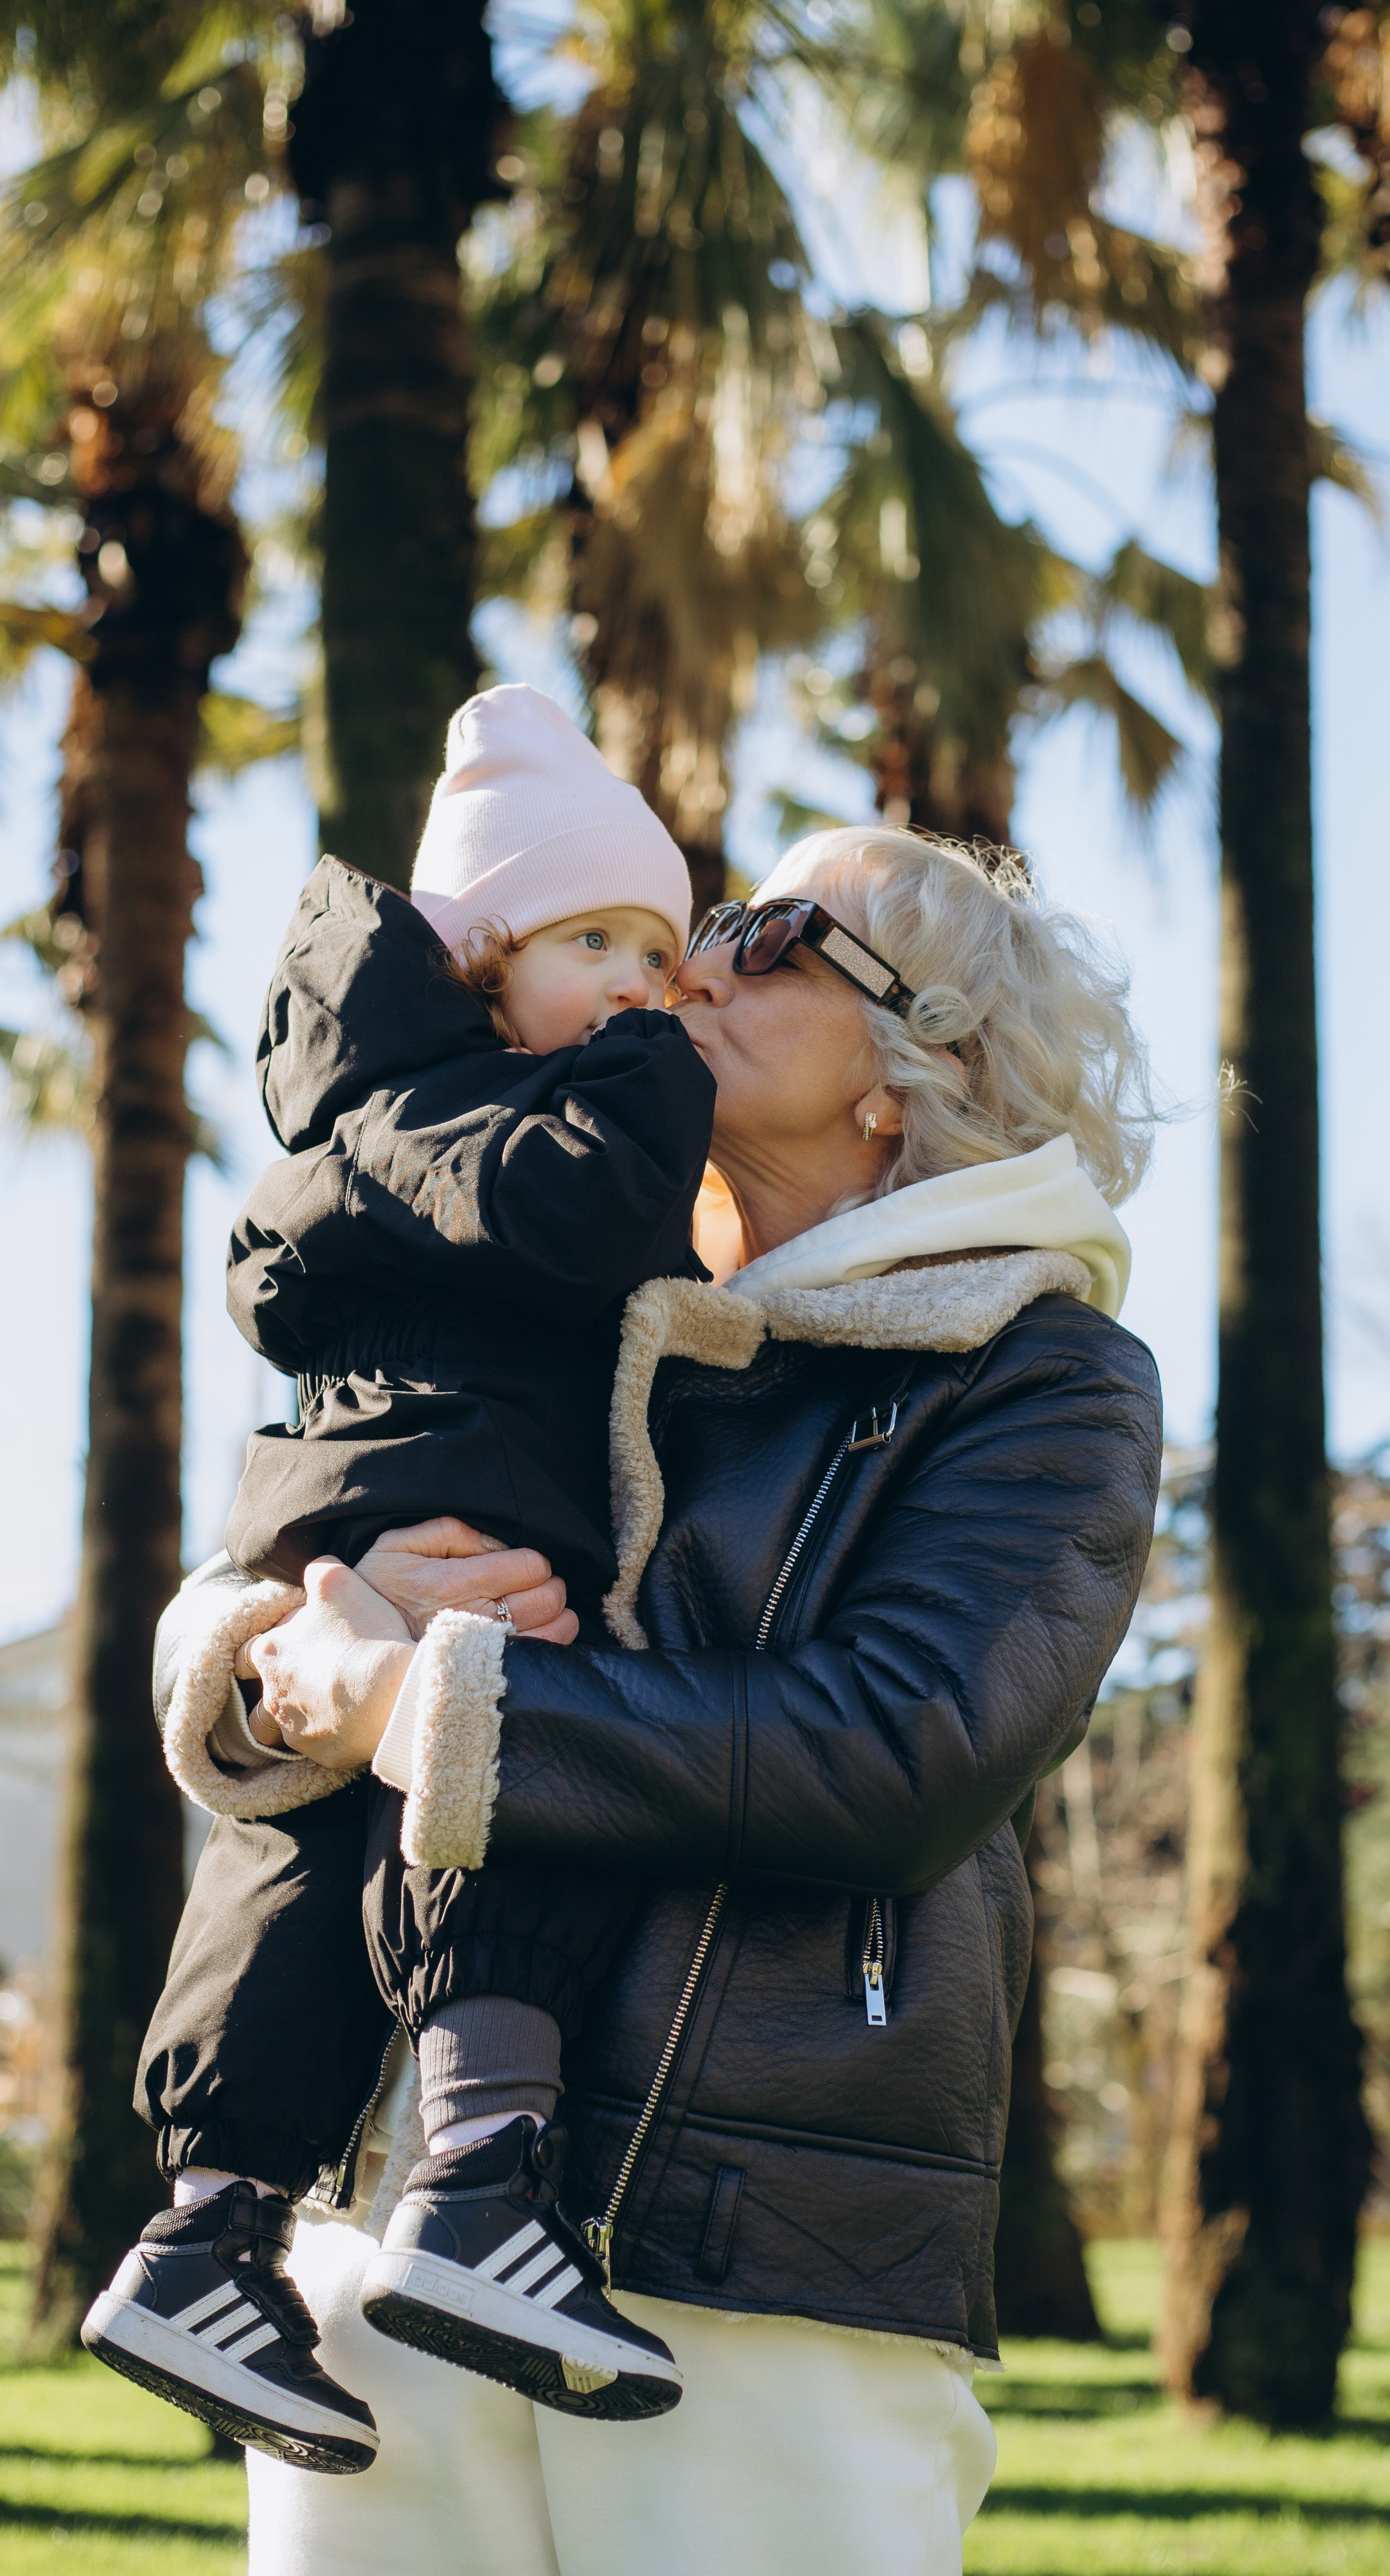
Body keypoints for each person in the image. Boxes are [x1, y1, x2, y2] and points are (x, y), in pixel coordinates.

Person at [146, 825, 1163, 2576]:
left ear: (923, 1066)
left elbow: (899, 1748)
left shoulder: (1041, 1375)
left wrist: (418, 1698)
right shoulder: (564, 1279)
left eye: (770, 935)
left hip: (755, 2258)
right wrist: (263, 1655)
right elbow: (307, 1526)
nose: (685, 963)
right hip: (383, 2201)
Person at [83, 685, 725, 2465]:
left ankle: (208, 2231)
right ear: (477, 961)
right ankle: (474, 2188)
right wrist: (660, 1063)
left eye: (659, 959)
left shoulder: (379, 1118)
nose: (637, 991)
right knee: (502, 1766)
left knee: (309, 1837)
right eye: (595, 942)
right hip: (464, 1489)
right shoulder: (490, 1114)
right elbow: (591, 1211)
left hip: (358, 1492)